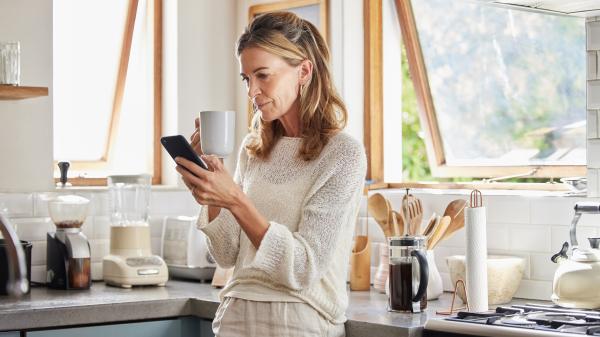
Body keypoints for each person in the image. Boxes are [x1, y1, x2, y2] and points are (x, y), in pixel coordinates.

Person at [174, 11, 366, 337]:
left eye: (263, 75)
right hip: (236, 314)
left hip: (301, 320)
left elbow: (302, 268)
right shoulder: (255, 150)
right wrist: (210, 194)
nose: (252, 92)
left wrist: (234, 199)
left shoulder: (343, 155)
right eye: (247, 79)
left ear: (303, 70)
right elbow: (226, 255)